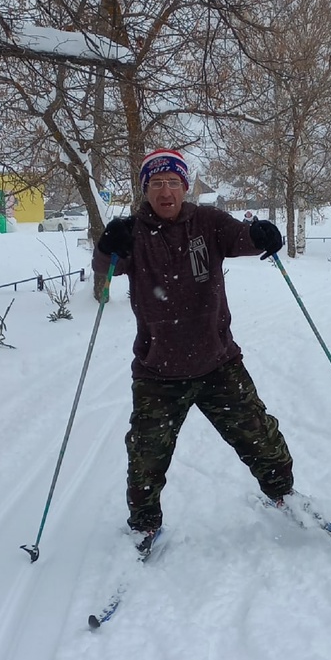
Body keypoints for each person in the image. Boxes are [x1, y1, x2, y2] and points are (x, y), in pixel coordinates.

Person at [92, 149, 295, 541]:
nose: (165, 191)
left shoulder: (208, 222)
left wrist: (263, 234)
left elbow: (243, 238)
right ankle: (145, 525)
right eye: (155, 183)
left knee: (258, 435)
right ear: (145, 190)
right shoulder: (131, 232)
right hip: (158, 373)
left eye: (172, 182)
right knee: (146, 456)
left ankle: (283, 495)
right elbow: (105, 269)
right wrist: (106, 246)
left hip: (218, 363)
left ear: (184, 186)